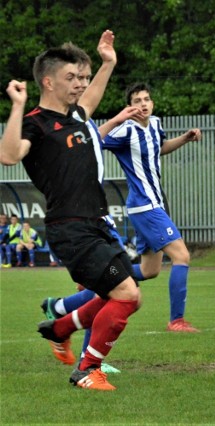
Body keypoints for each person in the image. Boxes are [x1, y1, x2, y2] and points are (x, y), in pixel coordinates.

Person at [0, 30, 141, 391]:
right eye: (72, 77)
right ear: (48, 81)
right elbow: (8, 155)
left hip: (96, 223)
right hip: (70, 227)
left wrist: (107, 63)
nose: (80, 83)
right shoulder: (35, 123)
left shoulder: (77, 114)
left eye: (82, 77)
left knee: (120, 295)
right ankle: (85, 370)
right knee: (126, 295)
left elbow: (93, 95)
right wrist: (16, 106)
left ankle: (58, 328)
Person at [100, 82, 201, 332]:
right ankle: (176, 321)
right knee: (182, 256)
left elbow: (159, 149)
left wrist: (185, 138)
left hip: (155, 202)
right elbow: (94, 141)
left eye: (146, 99)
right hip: (145, 205)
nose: (143, 104)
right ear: (130, 107)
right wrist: (113, 122)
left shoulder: (155, 124)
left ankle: (100, 279)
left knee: (150, 269)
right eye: (137, 101)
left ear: (152, 103)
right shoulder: (125, 131)